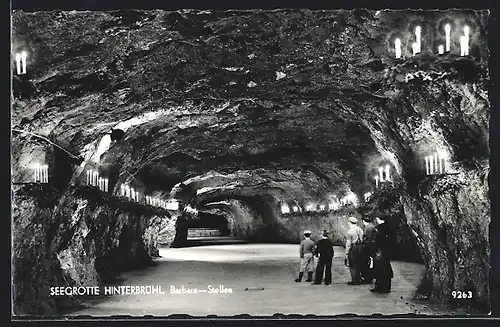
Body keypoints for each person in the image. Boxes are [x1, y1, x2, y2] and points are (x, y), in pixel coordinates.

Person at [371, 216, 395, 293]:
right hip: (387, 251)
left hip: (379, 251)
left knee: (379, 269)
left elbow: (374, 241)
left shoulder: (378, 229)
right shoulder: (391, 228)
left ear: (378, 219)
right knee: (386, 268)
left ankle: (379, 287)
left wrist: (373, 251)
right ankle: (387, 287)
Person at [345, 216, 364, 285]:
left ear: (350, 223)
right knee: (359, 263)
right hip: (360, 247)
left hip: (354, 248)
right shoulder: (360, 230)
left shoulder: (350, 231)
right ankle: (359, 278)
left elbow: (348, 244)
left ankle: (354, 279)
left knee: (352, 264)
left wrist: (346, 253)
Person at [360, 217, 376, 284]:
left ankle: (367, 278)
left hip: (367, 247)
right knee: (370, 263)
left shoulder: (368, 228)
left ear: (363, 221)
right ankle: (369, 277)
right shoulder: (372, 226)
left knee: (366, 262)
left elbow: (367, 238)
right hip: (371, 247)